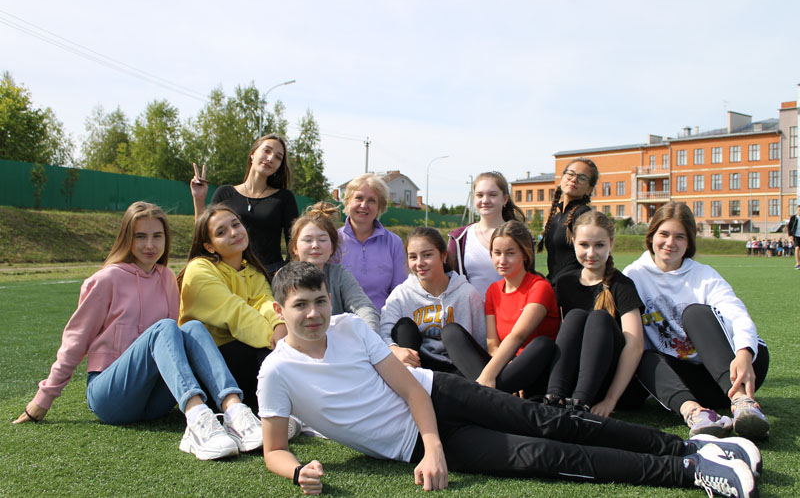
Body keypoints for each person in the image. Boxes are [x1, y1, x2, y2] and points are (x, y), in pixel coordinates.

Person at [257, 261, 760, 497]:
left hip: (439, 397)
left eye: (320, 301)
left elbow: (410, 388)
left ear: (330, 300)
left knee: (555, 422)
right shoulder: (276, 372)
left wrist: (434, 449)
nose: (314, 314)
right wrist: (297, 471)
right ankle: (690, 472)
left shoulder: (348, 327)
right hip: (411, 444)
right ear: (281, 311)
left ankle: (689, 448)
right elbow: (274, 449)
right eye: (300, 305)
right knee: (548, 456)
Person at [14, 202, 262, 460]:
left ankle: (235, 411)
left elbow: (173, 346)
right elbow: (75, 343)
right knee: (166, 327)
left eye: (157, 236)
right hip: (111, 397)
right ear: (126, 239)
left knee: (192, 327)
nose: (149, 245)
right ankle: (197, 418)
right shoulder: (106, 280)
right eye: (140, 236)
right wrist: (43, 400)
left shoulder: (167, 278)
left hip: (155, 402)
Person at [623, 202, 771, 440]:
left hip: (737, 370)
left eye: (680, 237)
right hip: (691, 382)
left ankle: (743, 404)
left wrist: (744, 352)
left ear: (689, 242)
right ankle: (696, 413)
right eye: (664, 234)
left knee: (695, 314)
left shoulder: (704, 275)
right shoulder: (633, 276)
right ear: (651, 236)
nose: (670, 243)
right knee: (640, 353)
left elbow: (736, 313)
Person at [178, 204, 287, 410]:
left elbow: (264, 302)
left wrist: (279, 326)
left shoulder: (252, 271)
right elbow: (236, 313)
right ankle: (275, 412)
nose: (234, 233)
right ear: (209, 246)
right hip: (207, 365)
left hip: (240, 354)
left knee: (270, 354)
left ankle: (286, 410)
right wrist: (281, 342)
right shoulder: (199, 269)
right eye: (221, 232)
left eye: (236, 225)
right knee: (268, 353)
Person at [544, 210, 645, 416]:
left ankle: (581, 402)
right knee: (575, 317)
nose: (591, 253)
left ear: (611, 244)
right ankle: (554, 398)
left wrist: (610, 400)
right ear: (573, 242)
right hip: (576, 377)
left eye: (599, 245)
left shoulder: (622, 285)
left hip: (611, 383)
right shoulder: (565, 283)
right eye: (584, 245)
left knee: (598, 317)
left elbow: (635, 346)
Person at [442, 221, 558, 394]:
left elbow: (518, 336)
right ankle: (491, 394)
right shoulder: (493, 290)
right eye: (497, 253)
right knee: (451, 332)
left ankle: (483, 393)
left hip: (533, 367)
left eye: (510, 253)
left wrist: (488, 375)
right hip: (503, 365)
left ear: (525, 255)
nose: (502, 260)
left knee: (542, 344)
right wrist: (502, 369)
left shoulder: (539, 287)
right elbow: (492, 345)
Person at [190, 134, 299, 272]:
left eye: (278, 157)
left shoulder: (284, 198)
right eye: (266, 151)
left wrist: (284, 273)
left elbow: (294, 244)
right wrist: (198, 199)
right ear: (252, 154)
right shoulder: (225, 193)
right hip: (230, 273)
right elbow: (205, 234)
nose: (271, 158)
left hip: (270, 276)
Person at [381, 227, 485, 372]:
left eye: (427, 255)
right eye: (413, 257)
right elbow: (384, 333)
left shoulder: (467, 293)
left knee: (452, 332)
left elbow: (481, 342)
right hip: (419, 366)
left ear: (443, 256)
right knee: (404, 327)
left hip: (459, 367)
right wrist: (393, 348)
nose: (419, 263)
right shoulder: (402, 294)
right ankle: (410, 382)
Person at [288, 201, 380, 334]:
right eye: (308, 240)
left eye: (322, 240)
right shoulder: (285, 277)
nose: (315, 245)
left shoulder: (339, 275)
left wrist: (370, 336)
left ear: (332, 248)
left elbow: (363, 307)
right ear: (295, 248)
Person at [447, 171, 532, 299]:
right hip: (471, 310)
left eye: (492, 195)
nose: (485, 200)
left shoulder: (520, 235)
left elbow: (529, 278)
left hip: (511, 310)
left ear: (505, 199)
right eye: (479, 195)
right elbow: (450, 282)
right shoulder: (459, 238)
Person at [337, 173, 406, 310]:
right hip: (341, 320)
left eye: (371, 201)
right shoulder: (333, 240)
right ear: (348, 202)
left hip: (384, 319)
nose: (364, 205)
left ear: (380, 206)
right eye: (358, 198)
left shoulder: (394, 243)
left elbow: (399, 292)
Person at [537, 158, 599, 281]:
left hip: (574, 287)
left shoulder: (583, 215)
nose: (574, 179)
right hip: (556, 286)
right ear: (562, 178)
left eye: (582, 178)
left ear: (590, 189)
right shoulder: (558, 216)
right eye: (570, 174)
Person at [788, 204, 800, 269]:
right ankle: (798, 263)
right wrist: (790, 235)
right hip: (796, 235)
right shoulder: (794, 218)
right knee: (797, 248)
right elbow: (789, 226)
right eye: (799, 210)